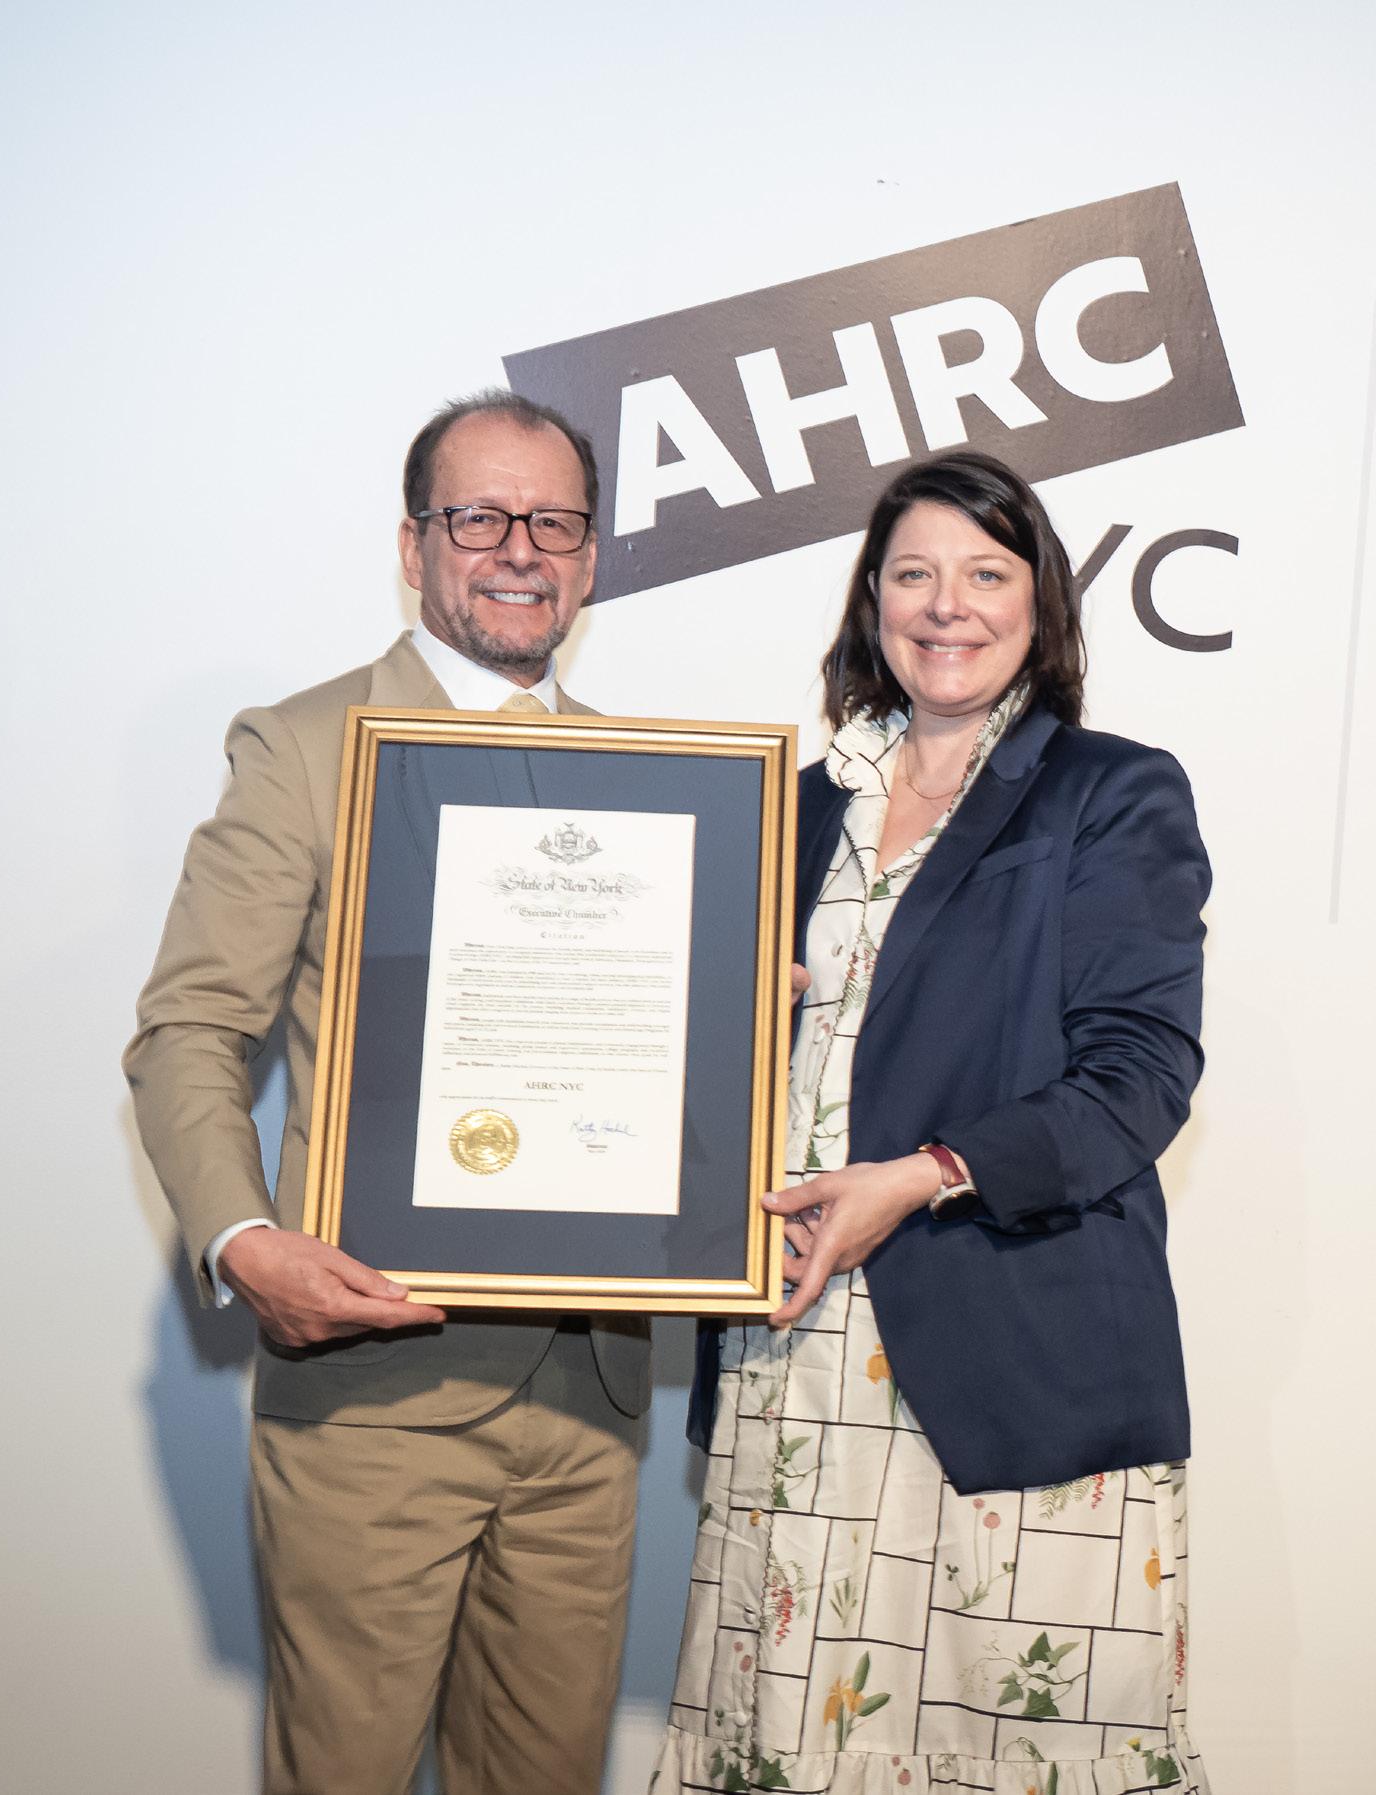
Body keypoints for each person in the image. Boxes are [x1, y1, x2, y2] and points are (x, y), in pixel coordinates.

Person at [655, 451, 1211, 1795]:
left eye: (985, 573)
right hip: (795, 1346)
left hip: (1010, 1355)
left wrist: (925, 1174)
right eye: (912, 573)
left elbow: (1139, 1074)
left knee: (1009, 1752)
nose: (946, 604)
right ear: (872, 602)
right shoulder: (790, 809)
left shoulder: (1109, 792)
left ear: (1041, 603)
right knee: (792, 1747)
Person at [125, 390, 648, 1795]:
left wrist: (720, 1019)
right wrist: (245, 1244)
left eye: (554, 522)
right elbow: (188, 1031)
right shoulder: (305, 746)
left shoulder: (658, 779)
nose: (520, 549)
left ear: (591, 557)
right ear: (414, 547)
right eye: (479, 518)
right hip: (370, 1389)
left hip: (589, 1399)